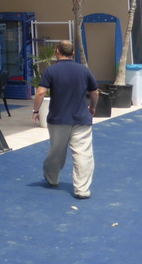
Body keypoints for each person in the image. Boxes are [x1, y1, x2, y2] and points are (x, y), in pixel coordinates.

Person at [32, 39, 98, 199]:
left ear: (57, 52)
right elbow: (95, 92)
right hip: (81, 119)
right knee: (83, 154)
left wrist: (36, 110)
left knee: (56, 151)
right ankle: (82, 189)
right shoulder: (83, 70)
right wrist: (92, 107)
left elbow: (41, 92)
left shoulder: (51, 71)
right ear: (73, 53)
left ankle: (52, 178)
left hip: (58, 118)